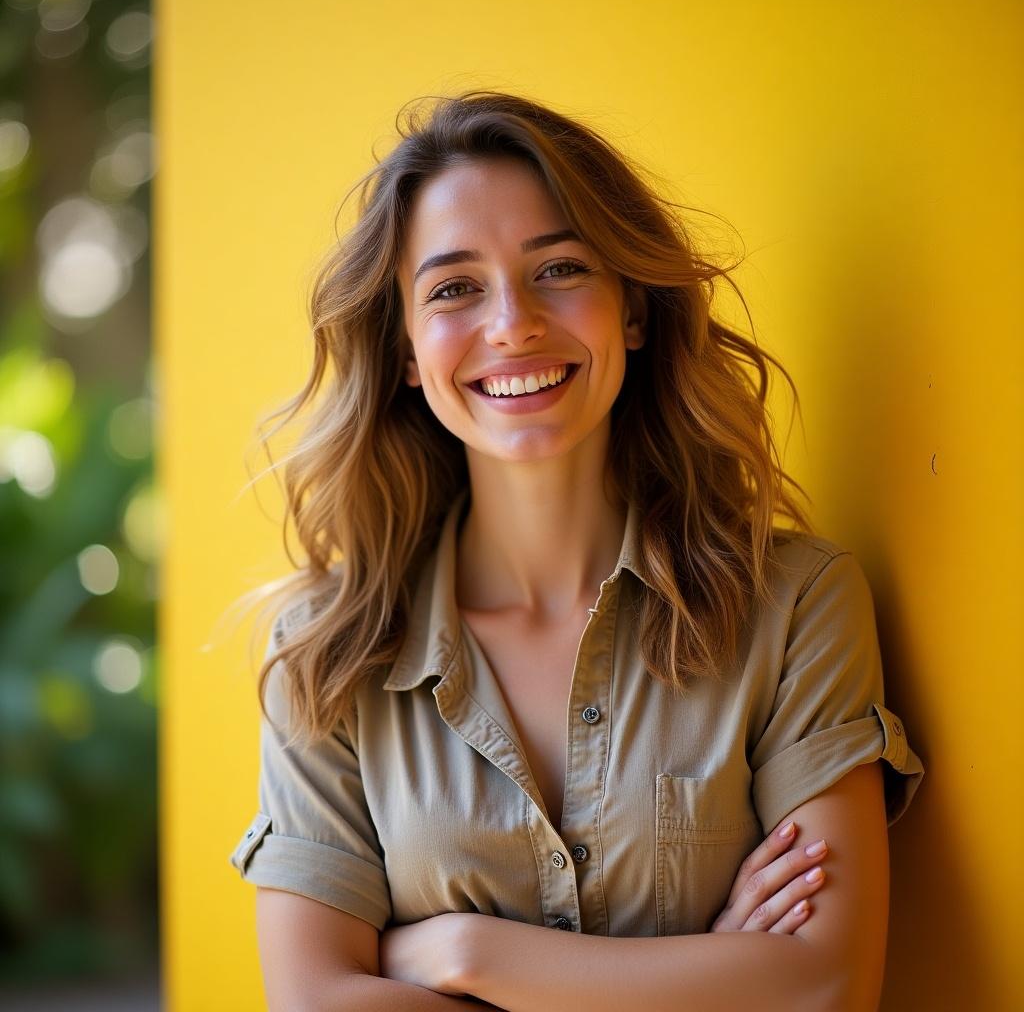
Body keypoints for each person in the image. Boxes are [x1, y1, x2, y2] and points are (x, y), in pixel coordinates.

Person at [228, 90, 924, 1011]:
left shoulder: (796, 606)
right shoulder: (327, 655)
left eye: (559, 268)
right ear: (403, 349)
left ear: (631, 309)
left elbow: (826, 987)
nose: (512, 322)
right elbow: (316, 1003)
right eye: (453, 287)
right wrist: (709, 979)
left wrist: (462, 951)